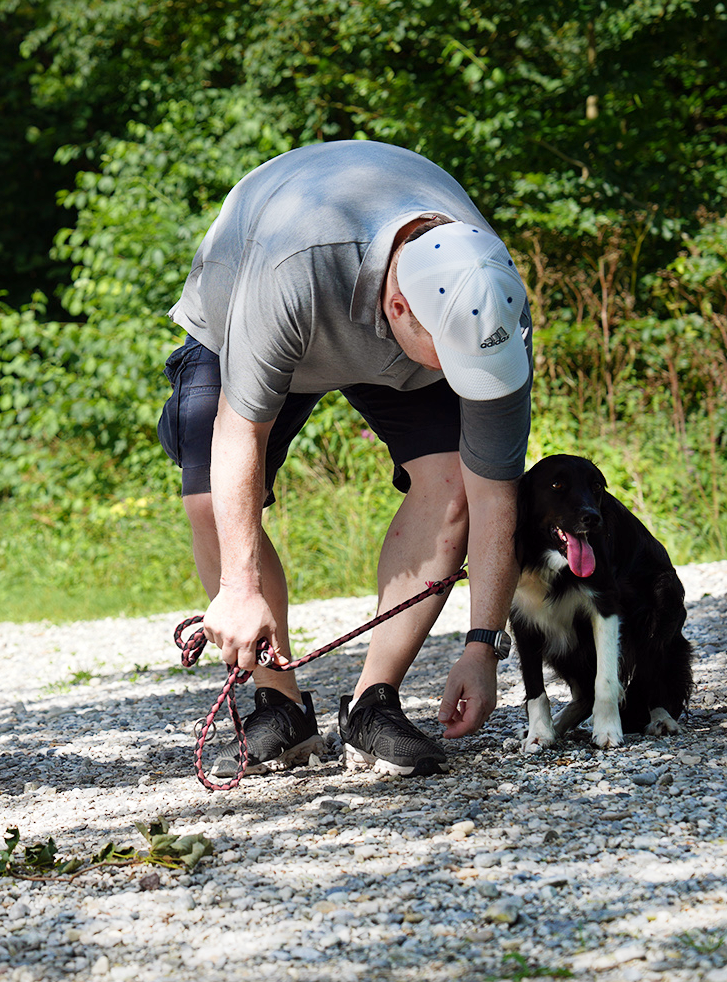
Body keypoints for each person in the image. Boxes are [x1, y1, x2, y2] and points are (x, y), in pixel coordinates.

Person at [158, 140, 533, 778]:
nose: (463, 376)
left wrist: (483, 646)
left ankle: (371, 705)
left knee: (452, 487)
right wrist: (238, 587)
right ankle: (280, 705)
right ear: (398, 310)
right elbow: (239, 433)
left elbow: (494, 491)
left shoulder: (486, 303)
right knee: (208, 501)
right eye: (452, 357)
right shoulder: (292, 273)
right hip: (255, 300)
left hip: (382, 324)